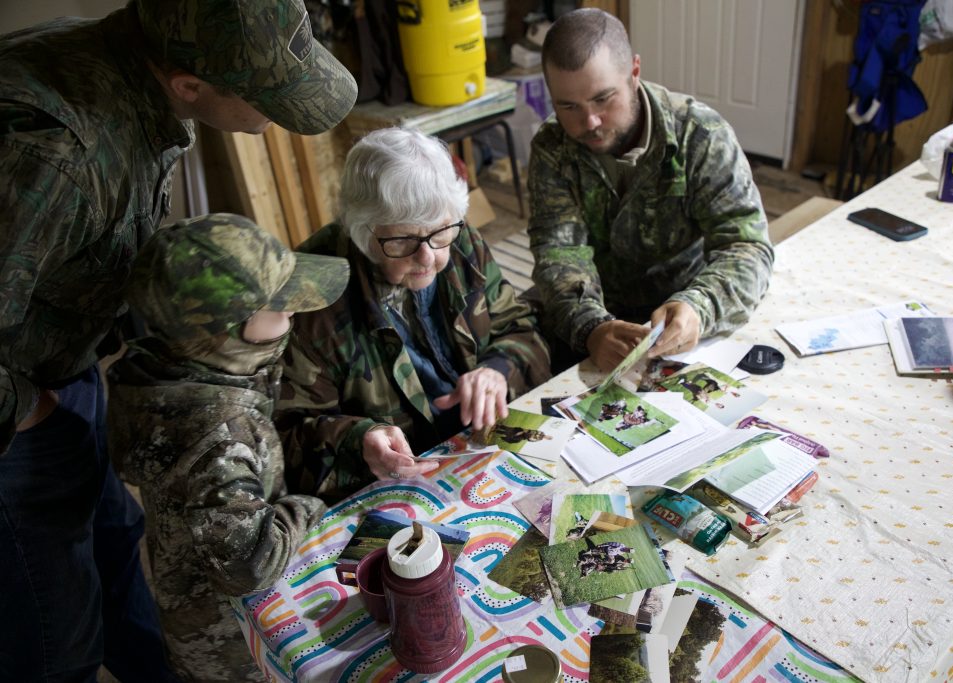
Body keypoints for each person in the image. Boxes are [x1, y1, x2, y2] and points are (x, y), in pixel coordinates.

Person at [0, 0, 357, 679]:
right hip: (18, 413)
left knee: (115, 545)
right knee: (52, 631)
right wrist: (35, 416)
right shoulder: (46, 147)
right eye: (264, 100)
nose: (274, 118)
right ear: (189, 85)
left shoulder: (137, 72)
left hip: (62, 369)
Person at [105, 213, 350, 681]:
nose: (294, 313)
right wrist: (305, 506)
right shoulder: (222, 432)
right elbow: (249, 566)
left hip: (187, 606)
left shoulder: (159, 375)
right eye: (280, 306)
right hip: (232, 645)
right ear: (226, 332)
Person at [276, 127, 551, 498]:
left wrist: (497, 371)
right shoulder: (314, 296)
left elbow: (521, 330)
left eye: (439, 234)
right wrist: (357, 440)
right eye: (403, 240)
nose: (428, 258)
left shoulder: (459, 237)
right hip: (401, 480)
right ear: (362, 232)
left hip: (479, 451)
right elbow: (286, 436)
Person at [527, 8, 774, 373]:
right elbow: (560, 254)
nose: (589, 121)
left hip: (684, 316)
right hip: (593, 313)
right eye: (568, 106)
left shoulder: (701, 135)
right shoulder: (553, 148)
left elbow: (747, 246)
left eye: (602, 99)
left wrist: (699, 307)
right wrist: (592, 327)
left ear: (635, 72)